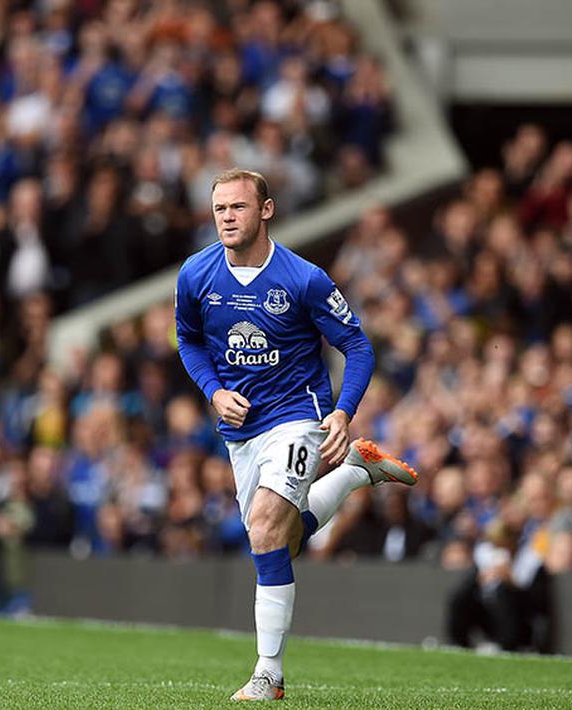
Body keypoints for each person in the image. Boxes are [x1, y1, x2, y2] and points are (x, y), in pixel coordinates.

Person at [175, 169, 418, 701]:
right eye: (219, 209)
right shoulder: (195, 275)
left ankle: (269, 673)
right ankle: (356, 472)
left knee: (265, 528)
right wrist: (214, 390)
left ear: (266, 210)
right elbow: (188, 341)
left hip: (297, 414)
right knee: (282, 540)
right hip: (240, 429)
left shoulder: (303, 278)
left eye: (238, 207)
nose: (227, 218)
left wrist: (342, 411)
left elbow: (358, 347)